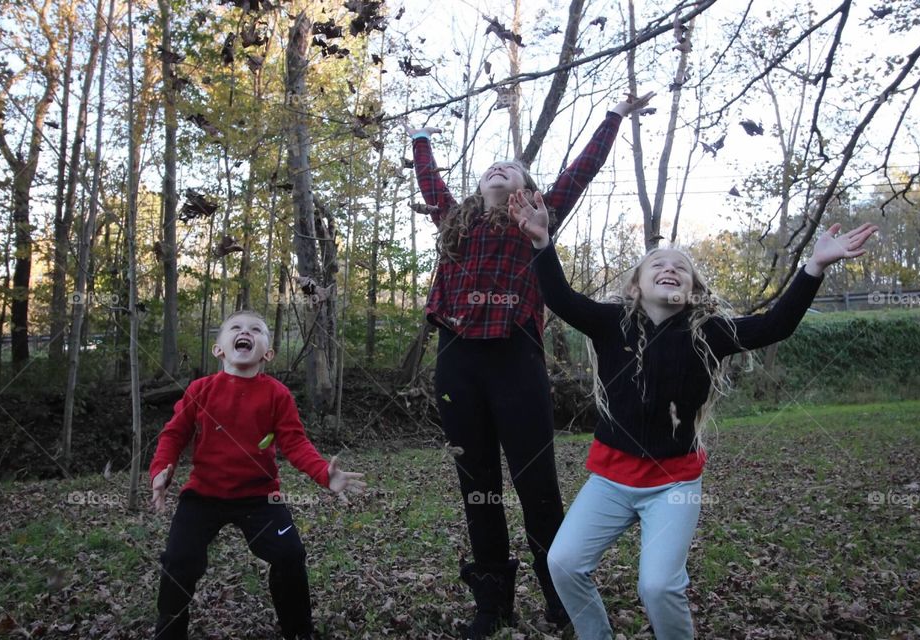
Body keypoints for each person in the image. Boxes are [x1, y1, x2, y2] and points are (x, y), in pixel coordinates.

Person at [509, 188, 877, 640]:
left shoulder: (712, 334)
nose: (670, 269)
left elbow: (775, 325)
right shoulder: (610, 324)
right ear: (635, 286)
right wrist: (542, 243)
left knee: (659, 585)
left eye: (680, 267)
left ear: (692, 290)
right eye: (658, 265)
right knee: (563, 562)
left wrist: (813, 267)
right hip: (611, 479)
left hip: (673, 484)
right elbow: (562, 300)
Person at [406, 92, 655, 639]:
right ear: (479, 187)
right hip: (457, 360)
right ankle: (492, 601)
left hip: (517, 359)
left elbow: (581, 171)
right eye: (492, 167)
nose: (499, 168)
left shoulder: (536, 217)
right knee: (479, 487)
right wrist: (421, 136)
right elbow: (429, 181)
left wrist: (613, 116)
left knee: (536, 485)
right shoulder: (454, 220)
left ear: (525, 189)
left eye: (512, 168)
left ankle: (560, 596)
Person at [149, 309, 366, 640]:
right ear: (219, 348)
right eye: (235, 327)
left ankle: (299, 631)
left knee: (290, 554)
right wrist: (160, 471)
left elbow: (295, 443)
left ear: (268, 352)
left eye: (256, 329)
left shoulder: (277, 394)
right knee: (179, 560)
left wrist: (324, 473)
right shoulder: (200, 390)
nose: (245, 331)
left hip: (259, 497)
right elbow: (173, 434)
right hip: (203, 496)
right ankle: (169, 632)